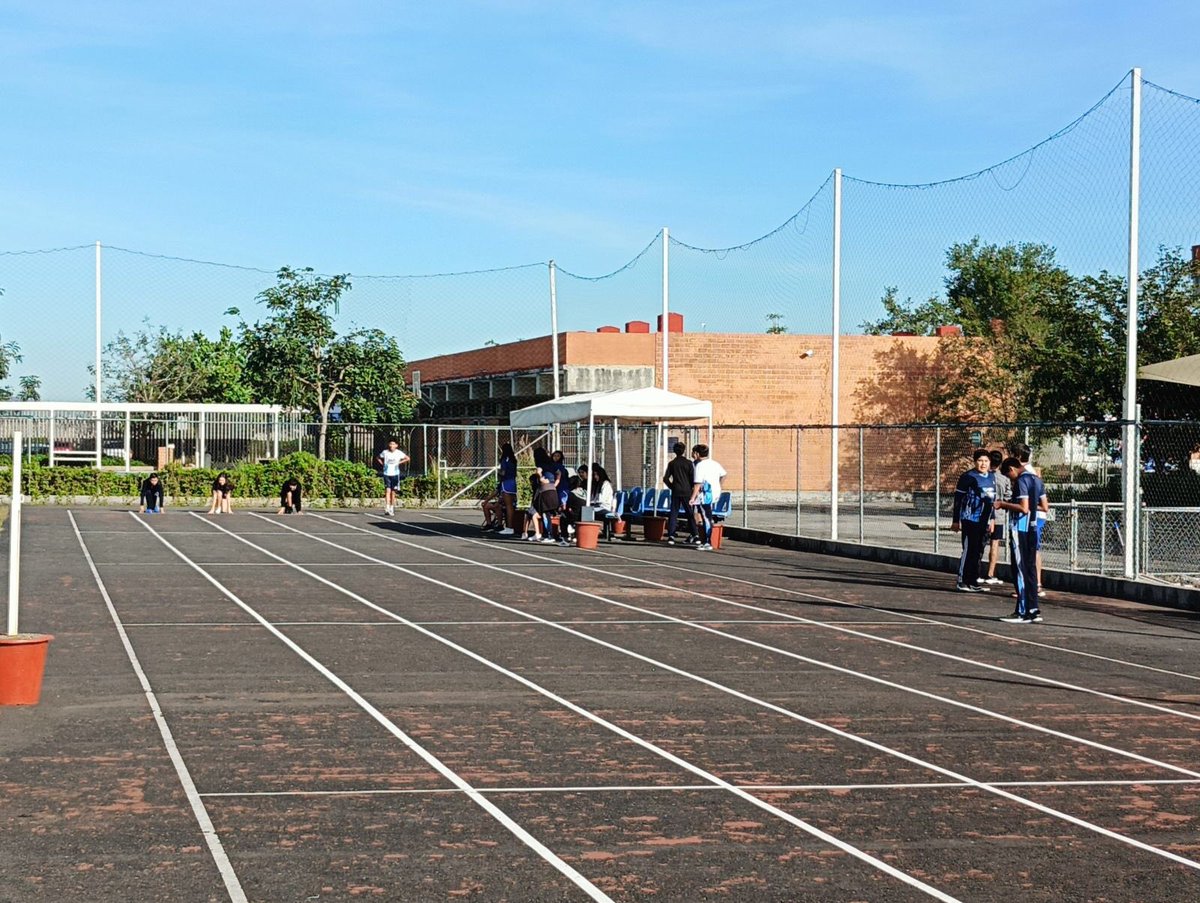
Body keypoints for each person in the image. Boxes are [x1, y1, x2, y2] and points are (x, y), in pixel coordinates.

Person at [995, 456, 1047, 623]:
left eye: (1009, 476)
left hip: (1020, 529)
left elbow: (1023, 508)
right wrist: (1030, 507)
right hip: (1032, 529)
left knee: (1020, 569)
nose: (1010, 480)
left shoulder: (1022, 481)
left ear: (1012, 469)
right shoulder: (1037, 480)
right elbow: (1045, 506)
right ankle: (1033, 609)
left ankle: (1022, 611)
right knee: (1030, 569)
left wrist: (1002, 504)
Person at [951, 449, 996, 593]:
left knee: (978, 551)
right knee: (968, 550)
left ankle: (973, 580)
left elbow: (991, 500)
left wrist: (992, 519)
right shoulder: (968, 477)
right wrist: (956, 520)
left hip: (984, 520)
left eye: (986, 461)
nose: (983, 464)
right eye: (980, 461)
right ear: (975, 461)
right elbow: (958, 500)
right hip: (970, 519)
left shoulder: (991, 477)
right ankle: (962, 580)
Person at [689, 444, 726, 551]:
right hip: (714, 493)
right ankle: (705, 540)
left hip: (705, 495)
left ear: (697, 454)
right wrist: (719, 485)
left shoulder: (699, 466)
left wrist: (692, 497)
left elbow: (697, 484)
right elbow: (724, 474)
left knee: (706, 517)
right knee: (706, 516)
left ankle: (707, 542)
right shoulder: (715, 463)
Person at [983, 449, 1010, 584]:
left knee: (980, 543)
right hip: (999, 514)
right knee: (995, 544)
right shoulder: (1004, 478)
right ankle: (990, 573)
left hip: (983, 513)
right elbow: (1008, 496)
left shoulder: (983, 476)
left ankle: (975, 571)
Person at [663, 442, 696, 545]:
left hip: (676, 491)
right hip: (687, 491)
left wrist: (672, 486)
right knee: (689, 513)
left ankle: (671, 535)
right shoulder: (689, 463)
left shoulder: (672, 463)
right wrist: (691, 487)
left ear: (674, 451)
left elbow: (665, 478)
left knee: (673, 513)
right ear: (684, 450)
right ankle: (695, 534)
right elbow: (693, 478)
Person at [377, 439, 410, 517]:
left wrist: (399, 463)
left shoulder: (399, 453)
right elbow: (378, 457)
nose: (391, 446)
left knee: (393, 491)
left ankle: (392, 507)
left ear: (396, 445)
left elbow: (407, 458)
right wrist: (383, 464)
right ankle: (387, 507)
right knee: (387, 490)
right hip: (386, 473)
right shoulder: (385, 452)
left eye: (393, 444)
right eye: (390, 444)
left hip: (395, 474)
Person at [496, 442, 518, 535]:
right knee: (510, 506)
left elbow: (503, 472)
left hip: (506, 483)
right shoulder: (513, 460)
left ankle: (509, 527)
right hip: (513, 483)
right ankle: (510, 526)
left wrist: (499, 472)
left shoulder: (505, 459)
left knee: (508, 506)